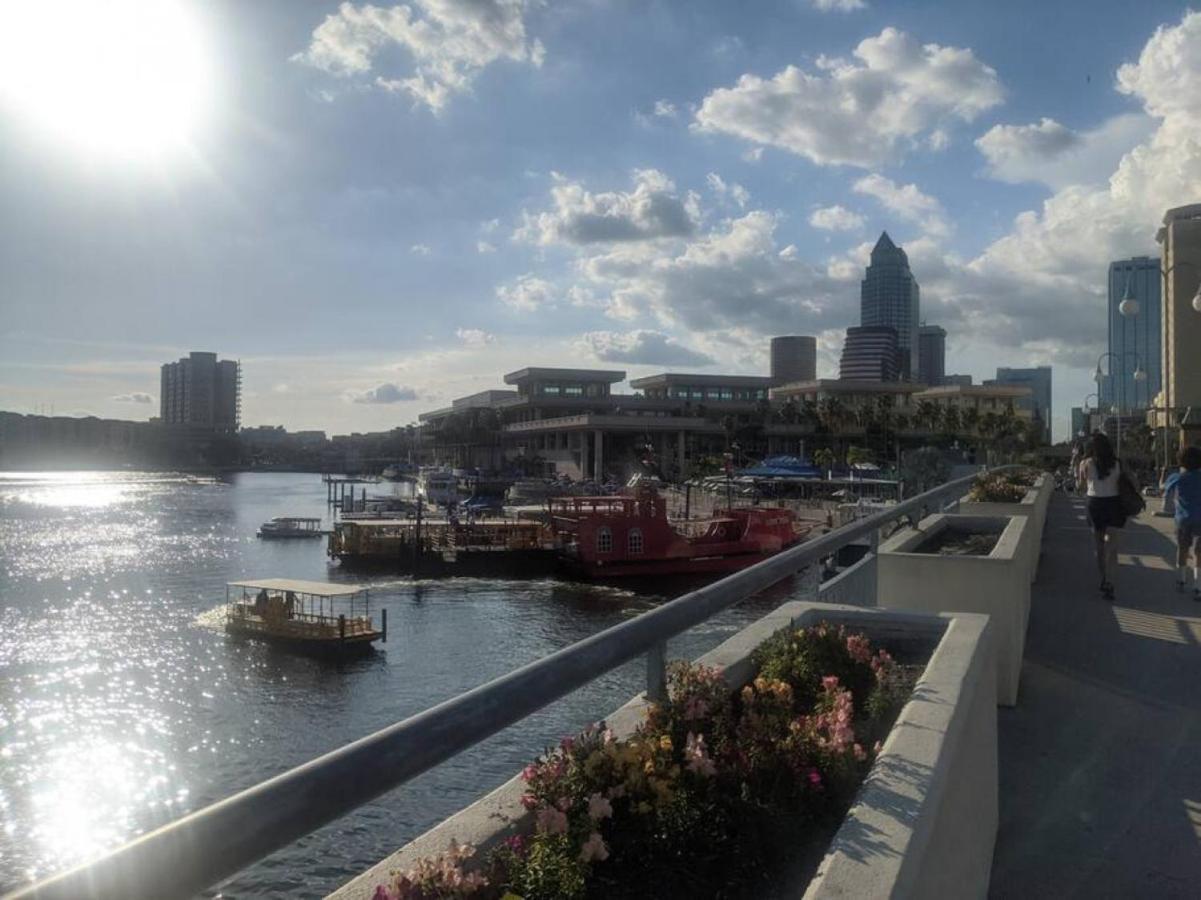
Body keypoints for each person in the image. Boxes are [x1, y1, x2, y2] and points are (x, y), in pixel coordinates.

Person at [1078, 432, 1127, 600]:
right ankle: (1111, 582)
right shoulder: (1117, 463)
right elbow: (1122, 483)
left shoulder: (1085, 463)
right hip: (1113, 504)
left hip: (1094, 504)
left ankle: (1103, 579)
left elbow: (1081, 487)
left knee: (1099, 545)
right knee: (1112, 546)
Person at [1164, 445, 1201, 599]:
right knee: (1199, 552)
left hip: (1182, 519)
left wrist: (1162, 476)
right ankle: (1198, 586)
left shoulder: (1176, 477)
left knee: (1183, 549)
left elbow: (1164, 490)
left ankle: (1182, 579)